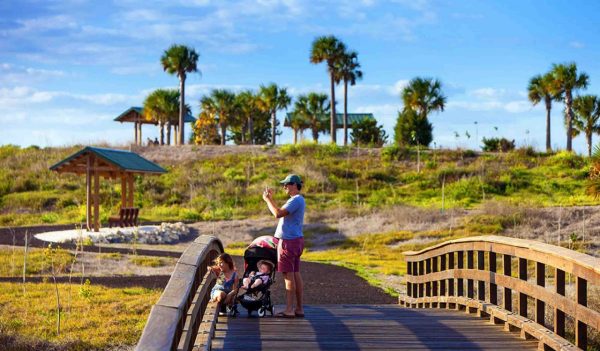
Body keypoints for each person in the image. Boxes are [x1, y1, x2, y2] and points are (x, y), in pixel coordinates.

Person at [262, 174, 305, 318]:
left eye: (287, 184)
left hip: (288, 242)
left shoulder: (295, 200)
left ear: (295, 185)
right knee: (295, 273)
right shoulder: (298, 200)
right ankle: (298, 308)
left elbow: (278, 213)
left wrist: (268, 200)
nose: (284, 186)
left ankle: (289, 310)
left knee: (288, 276)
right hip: (296, 240)